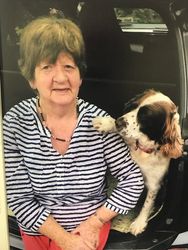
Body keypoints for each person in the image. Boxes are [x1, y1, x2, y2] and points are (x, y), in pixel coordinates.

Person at [3, 15, 144, 250]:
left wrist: (95, 221)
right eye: (47, 67)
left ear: (80, 75)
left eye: (69, 66)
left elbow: (132, 179)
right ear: (31, 77)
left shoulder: (100, 123)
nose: (61, 78)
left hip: (89, 230)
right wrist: (65, 241)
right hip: (38, 230)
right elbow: (19, 199)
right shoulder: (15, 122)